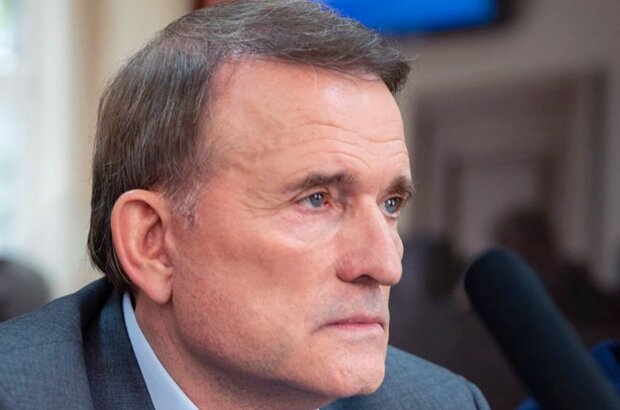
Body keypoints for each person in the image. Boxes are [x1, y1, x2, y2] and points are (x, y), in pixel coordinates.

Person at [0, 1, 489, 409]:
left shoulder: (441, 403)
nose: (385, 265)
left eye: (390, 203)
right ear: (153, 243)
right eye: (316, 199)